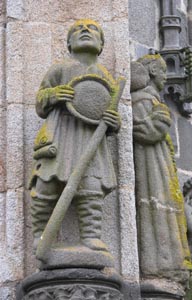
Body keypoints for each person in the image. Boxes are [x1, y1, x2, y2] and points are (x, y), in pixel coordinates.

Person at [29, 19, 121, 252]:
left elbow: (110, 113)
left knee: (91, 187)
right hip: (61, 133)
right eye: (77, 30)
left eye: (92, 29)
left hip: (91, 139)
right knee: (46, 185)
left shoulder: (105, 75)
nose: (85, 31)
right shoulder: (60, 69)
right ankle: (40, 235)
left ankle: (91, 236)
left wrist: (113, 123)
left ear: (101, 44)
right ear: (69, 43)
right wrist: (54, 94)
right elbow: (40, 103)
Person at [131, 52, 192, 280]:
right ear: (153, 71)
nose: (166, 77)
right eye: (163, 71)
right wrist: (161, 118)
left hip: (158, 165)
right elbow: (145, 131)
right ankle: (160, 266)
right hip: (150, 169)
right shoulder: (143, 100)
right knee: (155, 214)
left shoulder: (151, 100)